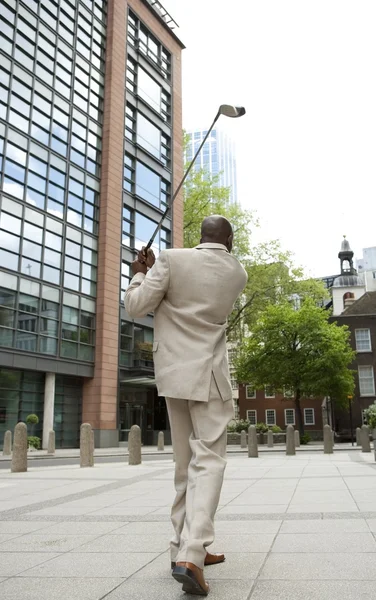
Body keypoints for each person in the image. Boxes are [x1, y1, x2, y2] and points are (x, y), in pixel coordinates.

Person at [125, 215, 247, 596]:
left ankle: (182, 547)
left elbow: (136, 306)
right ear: (229, 240)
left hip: (174, 375)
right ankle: (193, 553)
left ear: (200, 236)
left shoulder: (172, 259)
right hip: (209, 376)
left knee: (183, 466)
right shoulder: (237, 272)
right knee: (209, 460)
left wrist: (138, 273)